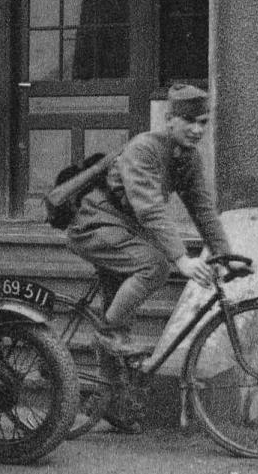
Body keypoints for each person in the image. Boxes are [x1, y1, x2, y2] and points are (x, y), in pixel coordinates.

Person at [66, 83, 232, 358]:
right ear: (169, 120)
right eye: (188, 120)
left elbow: (201, 208)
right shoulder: (144, 149)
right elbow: (150, 209)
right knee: (155, 266)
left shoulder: (188, 158)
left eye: (203, 122)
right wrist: (181, 258)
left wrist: (225, 254)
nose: (197, 130)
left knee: (121, 320)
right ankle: (106, 334)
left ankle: (111, 391)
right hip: (94, 224)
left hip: (125, 230)